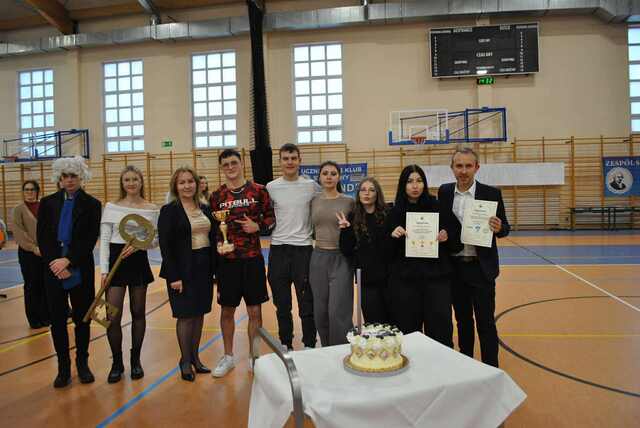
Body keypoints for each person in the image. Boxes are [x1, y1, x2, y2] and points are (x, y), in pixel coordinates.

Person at [438, 147, 510, 367]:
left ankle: (491, 369)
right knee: (463, 322)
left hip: (481, 269)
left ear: (477, 167)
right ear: (452, 168)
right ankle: (467, 366)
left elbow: (505, 228)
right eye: (459, 166)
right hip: (455, 268)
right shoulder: (444, 192)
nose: (463, 171)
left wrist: (499, 227)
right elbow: (442, 223)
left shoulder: (492, 194)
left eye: (468, 166)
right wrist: (441, 233)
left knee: (486, 323)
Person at [37, 156, 101, 388]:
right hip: (53, 270)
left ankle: (82, 364)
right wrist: (56, 264)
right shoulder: (47, 203)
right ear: (60, 178)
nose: (69, 180)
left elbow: (89, 239)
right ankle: (63, 368)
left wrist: (69, 261)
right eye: (65, 176)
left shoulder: (92, 204)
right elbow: (43, 237)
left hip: (80, 268)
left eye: (73, 175)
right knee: (57, 320)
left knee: (82, 319)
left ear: (81, 177)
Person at [210, 149, 274, 377]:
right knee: (227, 310)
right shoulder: (216, 196)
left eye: (233, 162)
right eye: (225, 164)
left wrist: (258, 227)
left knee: (255, 310)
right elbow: (214, 229)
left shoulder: (259, 190)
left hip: (252, 259)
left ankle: (254, 357)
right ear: (221, 168)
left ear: (242, 163)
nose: (230, 167)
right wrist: (219, 245)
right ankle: (228, 357)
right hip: (227, 263)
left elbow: (271, 218)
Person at [387, 165, 460, 347]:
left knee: (440, 329)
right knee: (408, 330)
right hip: (406, 282)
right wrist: (392, 236)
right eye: (410, 181)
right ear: (403, 185)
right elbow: (385, 252)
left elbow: (457, 239)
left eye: (419, 181)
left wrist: (447, 235)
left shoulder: (438, 206)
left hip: (436, 280)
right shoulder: (394, 212)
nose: (415, 186)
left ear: (424, 184)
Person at [99, 166, 159, 383]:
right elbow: (105, 240)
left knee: (138, 312)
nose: (131, 183)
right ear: (122, 183)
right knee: (111, 317)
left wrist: (140, 245)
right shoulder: (111, 207)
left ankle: (135, 361)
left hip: (138, 262)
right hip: (116, 263)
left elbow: (154, 240)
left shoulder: (151, 209)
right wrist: (104, 270)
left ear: (141, 182)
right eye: (127, 180)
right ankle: (116, 363)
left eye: (135, 179)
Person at [158, 166, 217, 381]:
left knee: (199, 314)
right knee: (185, 316)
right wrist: (174, 276)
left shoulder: (205, 208)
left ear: (197, 184)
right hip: (181, 270)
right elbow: (166, 246)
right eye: (182, 182)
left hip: (204, 267)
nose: (187, 186)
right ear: (175, 186)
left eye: (190, 181)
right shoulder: (169, 210)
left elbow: (213, 237)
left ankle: (195, 358)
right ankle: (184, 361)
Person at [266, 143, 318, 351]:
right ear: (279, 162)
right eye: (286, 159)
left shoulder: (311, 186)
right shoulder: (271, 187)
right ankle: (286, 343)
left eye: (293, 158)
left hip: (303, 250)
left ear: (299, 161)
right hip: (278, 250)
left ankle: (309, 344)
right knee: (282, 304)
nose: (290, 162)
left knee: (307, 302)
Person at [309, 161, 355, 346]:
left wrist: (348, 228)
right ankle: (326, 348)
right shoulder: (313, 201)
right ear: (319, 177)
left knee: (338, 310)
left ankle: (341, 349)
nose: (329, 176)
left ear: (339, 177)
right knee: (320, 311)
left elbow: (356, 230)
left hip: (341, 259)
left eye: (333, 173)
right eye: (325, 173)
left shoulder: (349, 202)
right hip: (318, 258)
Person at [338, 177, 390, 324]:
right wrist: (345, 230)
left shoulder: (388, 214)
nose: (367, 193)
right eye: (363, 190)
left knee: (392, 323)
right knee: (373, 323)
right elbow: (346, 250)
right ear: (358, 194)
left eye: (371, 190)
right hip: (366, 279)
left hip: (389, 279)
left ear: (377, 194)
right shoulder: (352, 217)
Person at [13, 180, 49, 329]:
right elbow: (19, 233)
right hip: (28, 254)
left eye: (32, 189)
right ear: (23, 192)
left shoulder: (44, 207)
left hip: (45, 253)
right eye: (26, 190)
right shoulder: (18, 209)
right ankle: (33, 319)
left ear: (37, 191)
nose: (29, 192)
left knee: (44, 285)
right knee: (32, 286)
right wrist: (34, 248)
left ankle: (44, 316)